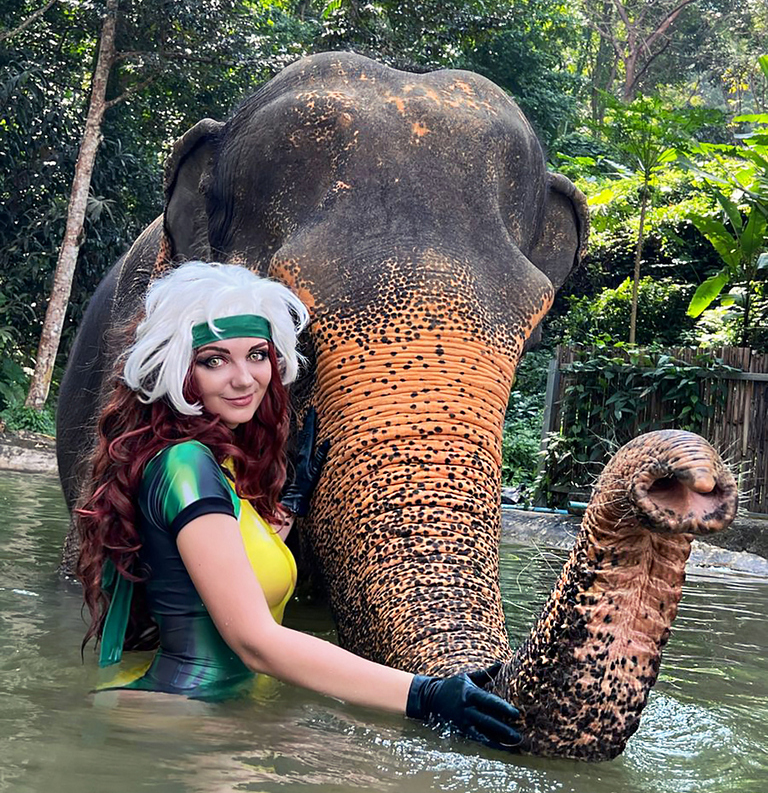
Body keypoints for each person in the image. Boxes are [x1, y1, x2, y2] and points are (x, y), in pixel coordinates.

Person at [76, 261, 522, 750]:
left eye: (257, 355)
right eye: (214, 360)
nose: (244, 379)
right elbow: (255, 642)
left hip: (228, 713)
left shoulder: (212, 463)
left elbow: (231, 565)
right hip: (188, 722)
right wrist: (426, 694)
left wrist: (291, 502)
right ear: (180, 369)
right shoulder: (186, 465)